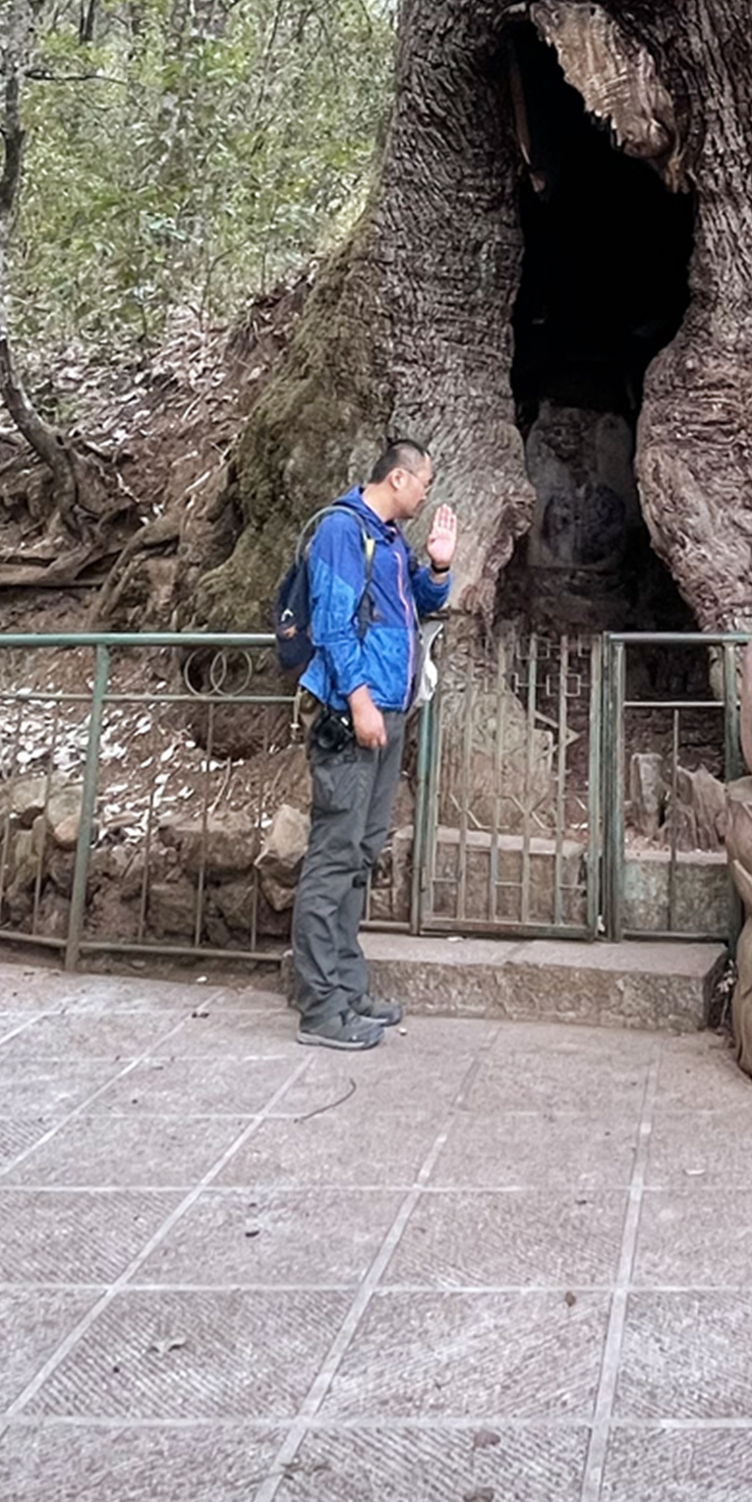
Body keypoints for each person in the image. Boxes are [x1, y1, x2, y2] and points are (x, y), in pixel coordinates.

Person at [289, 435, 454, 1050]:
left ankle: (347, 986)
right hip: (356, 715)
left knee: (361, 849)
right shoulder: (341, 530)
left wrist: (437, 565)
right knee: (334, 854)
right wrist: (358, 700)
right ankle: (320, 1007)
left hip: (390, 710)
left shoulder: (386, 541)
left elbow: (418, 608)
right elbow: (331, 624)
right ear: (398, 479)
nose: (427, 492)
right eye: (425, 482)